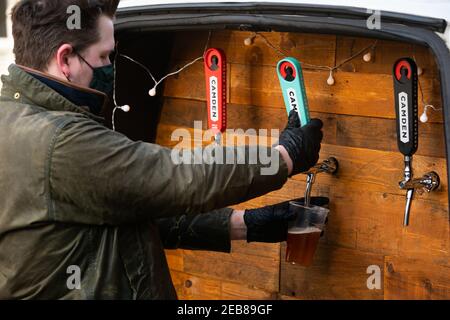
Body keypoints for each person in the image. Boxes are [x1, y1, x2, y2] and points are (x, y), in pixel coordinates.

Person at [0, 0, 323, 299]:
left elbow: (126, 209)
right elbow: (178, 176)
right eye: (103, 57)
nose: (110, 68)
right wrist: (283, 157)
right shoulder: (61, 140)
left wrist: (243, 224)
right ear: (66, 59)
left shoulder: (14, 118)